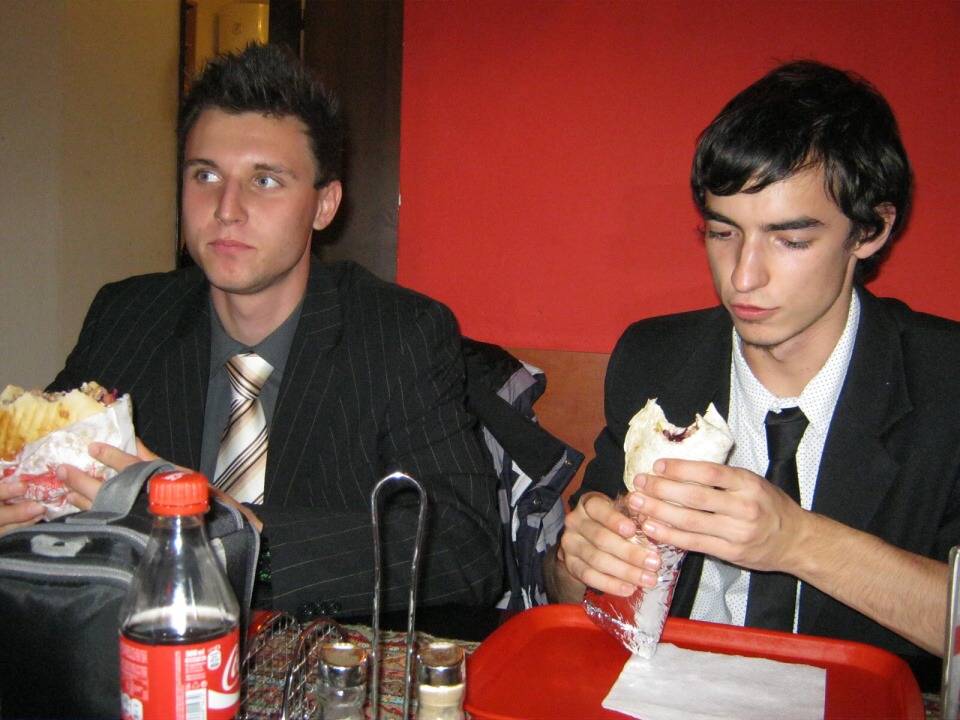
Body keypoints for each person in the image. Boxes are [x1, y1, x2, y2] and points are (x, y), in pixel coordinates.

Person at [2, 43, 502, 617]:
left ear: (324, 205)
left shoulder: (399, 334)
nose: (226, 208)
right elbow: (47, 481)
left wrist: (226, 530)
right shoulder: (126, 316)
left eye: (265, 180)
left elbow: (467, 551)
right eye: (206, 174)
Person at [545, 60, 960, 691]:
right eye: (722, 232)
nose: (743, 276)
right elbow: (569, 594)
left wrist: (796, 541)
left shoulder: (946, 382)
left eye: (790, 240)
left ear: (870, 230)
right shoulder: (656, 358)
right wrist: (579, 560)